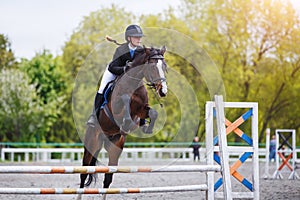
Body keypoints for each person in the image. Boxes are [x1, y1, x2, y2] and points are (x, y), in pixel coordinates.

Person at [87, 24, 144, 127]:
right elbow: (113, 67)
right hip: (114, 72)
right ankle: (94, 116)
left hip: (128, 78)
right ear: (129, 38)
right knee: (102, 88)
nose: (139, 39)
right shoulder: (121, 50)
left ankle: (142, 117)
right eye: (136, 37)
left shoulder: (140, 51)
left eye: (140, 37)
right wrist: (125, 69)